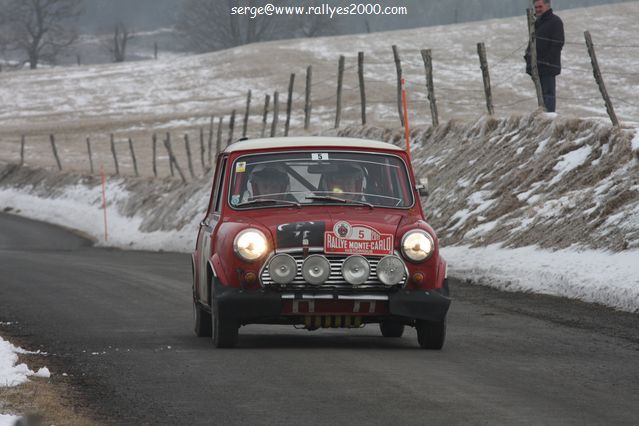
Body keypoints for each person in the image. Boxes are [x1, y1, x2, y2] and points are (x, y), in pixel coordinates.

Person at [524, 0, 564, 113]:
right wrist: (527, 57)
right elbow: (531, 43)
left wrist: (547, 61)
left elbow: (558, 43)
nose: (537, 9)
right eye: (535, 7)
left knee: (549, 95)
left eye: (540, 7)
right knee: (541, 95)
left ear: (547, 6)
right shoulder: (536, 22)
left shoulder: (555, 21)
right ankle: (544, 118)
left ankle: (549, 118)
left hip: (548, 67)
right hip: (537, 67)